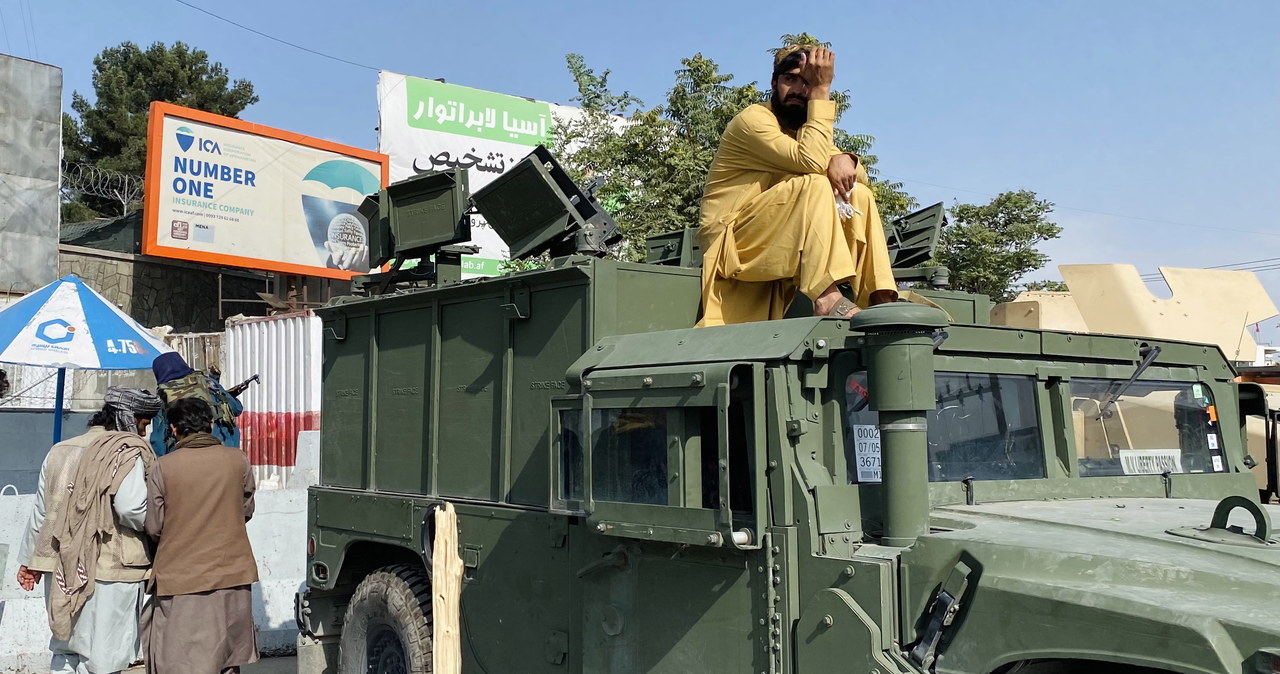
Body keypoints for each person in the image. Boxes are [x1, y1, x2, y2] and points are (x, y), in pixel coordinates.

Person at [696, 44, 899, 326]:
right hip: (731, 244)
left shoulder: (803, 133)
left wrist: (846, 158)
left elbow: (858, 177)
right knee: (816, 184)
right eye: (790, 79)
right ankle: (826, 298)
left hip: (772, 239)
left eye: (808, 83)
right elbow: (811, 160)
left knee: (858, 195)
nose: (799, 90)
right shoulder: (753, 121)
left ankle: (881, 299)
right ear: (774, 83)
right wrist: (821, 90)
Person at [15, 387, 162, 674]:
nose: (143, 434)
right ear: (128, 419)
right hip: (110, 571)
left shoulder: (60, 450)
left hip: (62, 569)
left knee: (66, 652)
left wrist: (30, 562)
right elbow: (132, 509)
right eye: (143, 425)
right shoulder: (124, 451)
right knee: (104, 659)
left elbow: (42, 514)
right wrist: (161, 527)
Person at [144, 396, 259, 674]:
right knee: (227, 659)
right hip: (232, 573)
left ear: (173, 429)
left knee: (184, 660)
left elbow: (154, 526)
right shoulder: (237, 460)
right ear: (210, 424)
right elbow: (246, 508)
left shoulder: (163, 467)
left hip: (181, 578)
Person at [149, 352, 243, 456]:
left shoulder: (163, 395)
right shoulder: (208, 382)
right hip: (225, 448)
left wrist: (164, 462)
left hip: (185, 457)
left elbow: (158, 439)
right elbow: (236, 408)